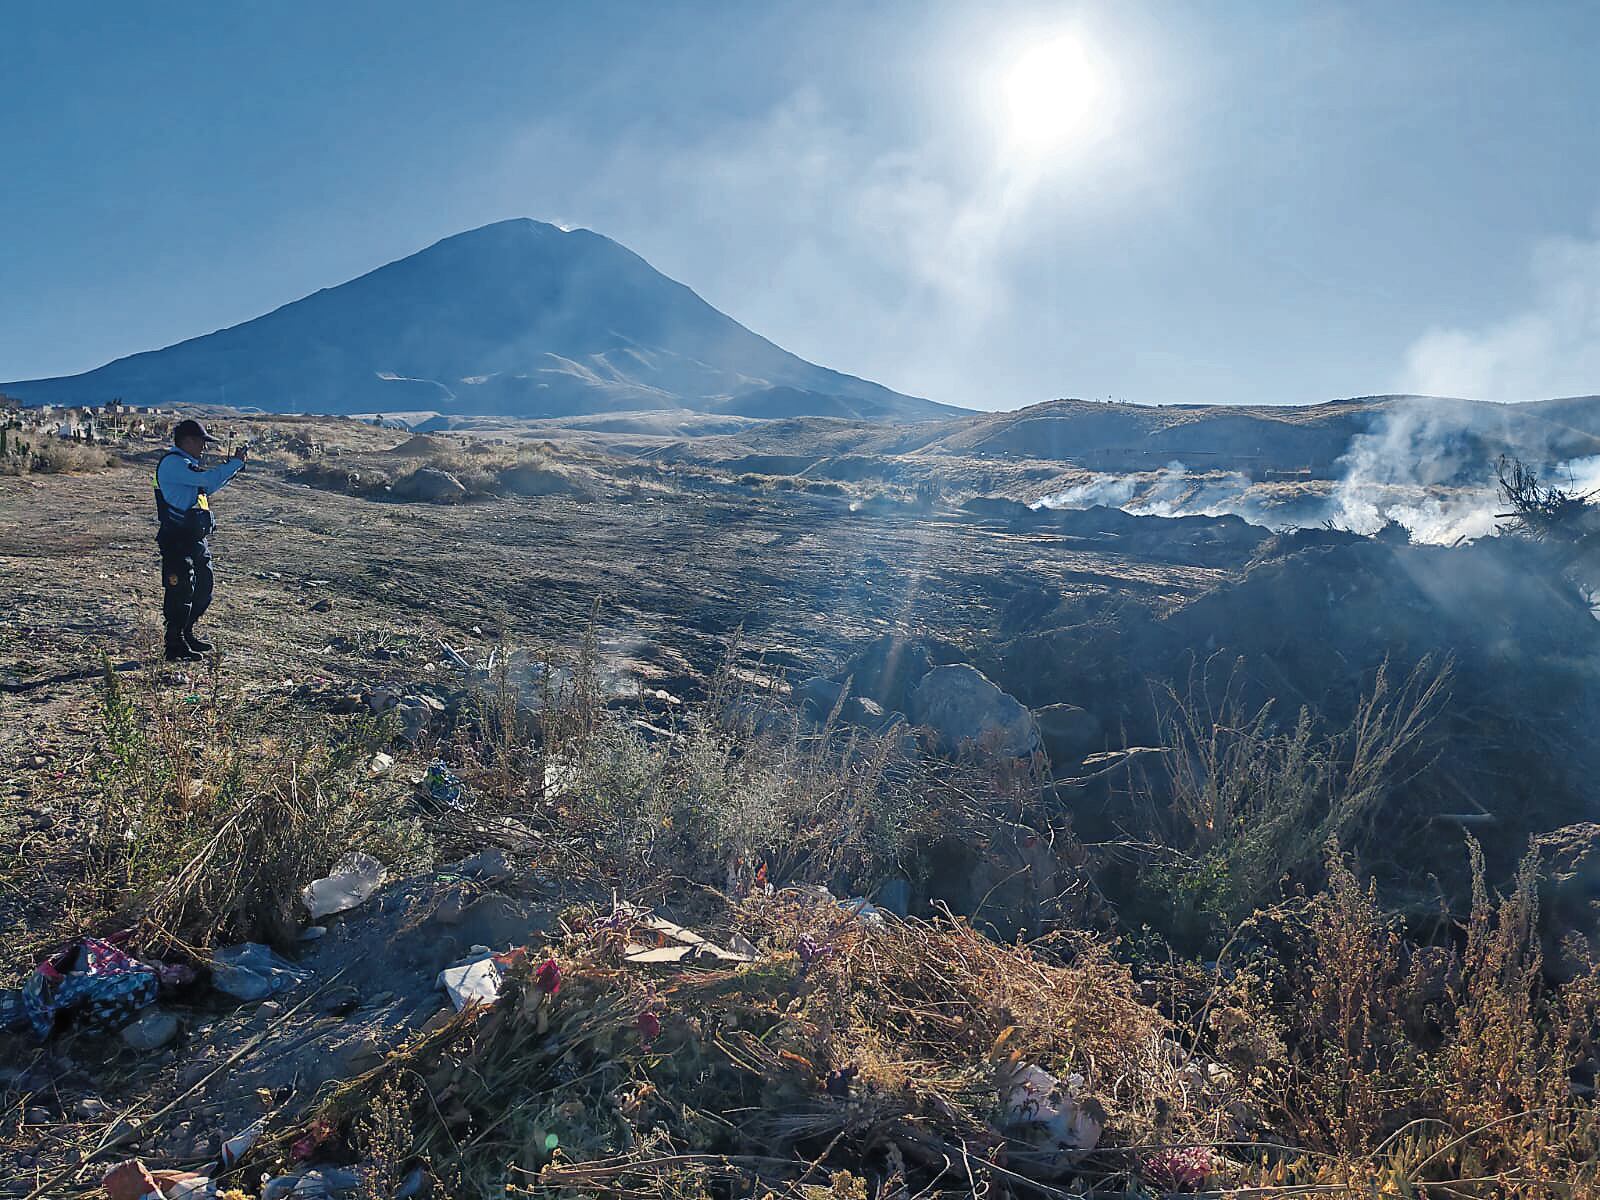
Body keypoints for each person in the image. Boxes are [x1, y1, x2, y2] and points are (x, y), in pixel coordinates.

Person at [154, 418, 247, 662]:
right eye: (201, 442)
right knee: (180, 589)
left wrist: (233, 468)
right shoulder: (173, 464)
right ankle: (173, 643)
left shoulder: (186, 465)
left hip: (193, 537)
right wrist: (234, 464)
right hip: (176, 537)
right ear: (187, 441)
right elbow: (206, 481)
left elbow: (209, 486)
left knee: (203, 587)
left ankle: (186, 633)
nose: (204, 448)